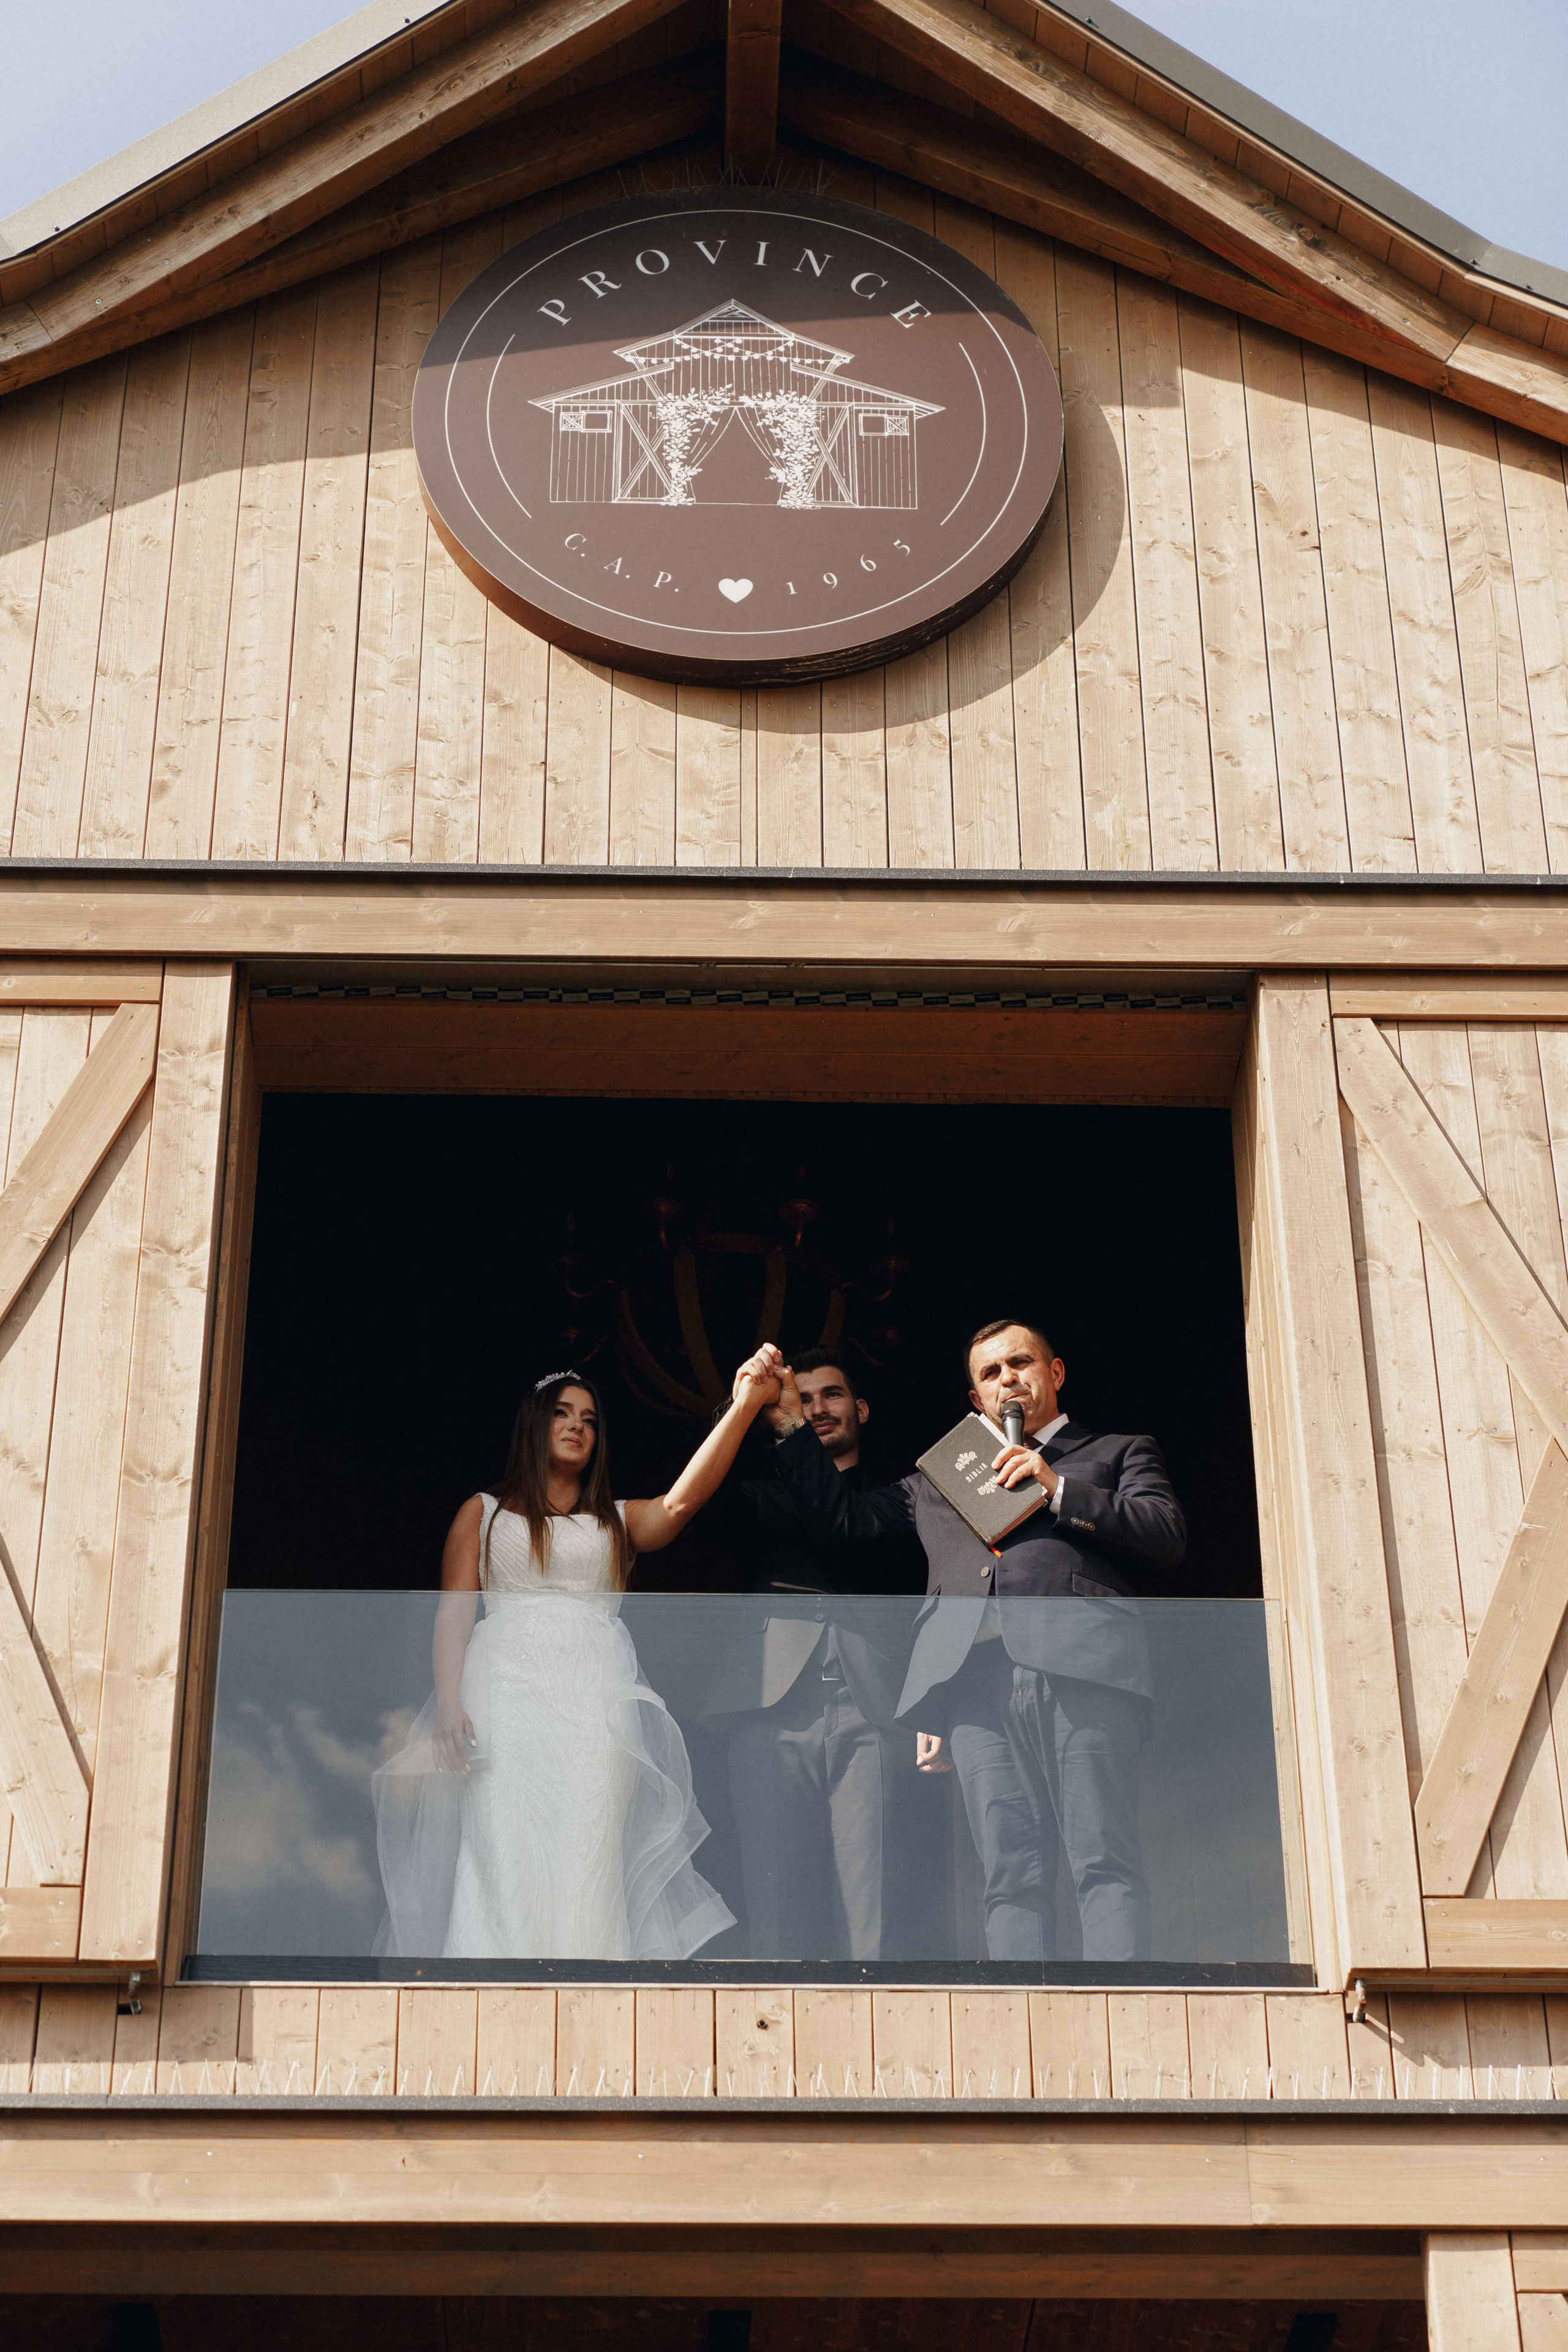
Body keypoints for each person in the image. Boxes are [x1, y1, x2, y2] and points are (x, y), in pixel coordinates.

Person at [737, 1322, 1186, 1963]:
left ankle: (1120, 2014)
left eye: (1020, 1363)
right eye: (990, 1373)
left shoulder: (1115, 1451)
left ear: (1055, 1373)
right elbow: (845, 1521)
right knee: (1009, 1876)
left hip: (1083, 1671)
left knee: (1103, 1861)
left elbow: (1163, 1534)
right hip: (974, 1689)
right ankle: (1024, 2020)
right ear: (977, 1400)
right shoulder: (940, 1478)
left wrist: (1056, 1488)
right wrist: (787, 1424)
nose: (1008, 1379)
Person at [372, 1363, 775, 1961]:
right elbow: (454, 1615)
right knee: (501, 1852)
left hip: (594, 1711)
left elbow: (680, 1503)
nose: (576, 1426)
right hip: (504, 1704)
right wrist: (450, 1704)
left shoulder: (614, 1519)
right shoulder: (482, 1513)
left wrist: (743, 1407)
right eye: (562, 1413)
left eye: (588, 1419)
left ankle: (590, 1995)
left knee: (590, 1854)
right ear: (534, 1426)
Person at [698, 1347, 927, 1961]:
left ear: (862, 1409)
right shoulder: (758, 1495)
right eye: (802, 1399)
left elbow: (846, 1527)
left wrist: (789, 1428)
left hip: (873, 1705)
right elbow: (696, 1505)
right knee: (775, 1907)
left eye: (831, 1395)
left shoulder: (903, 1497)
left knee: (875, 1910)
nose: (816, 1409)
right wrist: (743, 1405)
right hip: (770, 1705)